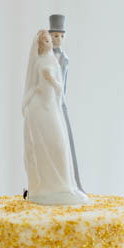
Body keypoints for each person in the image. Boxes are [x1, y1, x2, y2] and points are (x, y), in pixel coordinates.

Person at [22, 29, 88, 205]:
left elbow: (60, 89)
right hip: (38, 109)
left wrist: (50, 79)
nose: (48, 43)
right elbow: (33, 86)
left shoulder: (54, 62)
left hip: (51, 108)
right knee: (42, 149)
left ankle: (63, 185)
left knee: (59, 145)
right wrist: (28, 105)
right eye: (44, 41)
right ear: (38, 45)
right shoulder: (38, 63)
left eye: (48, 40)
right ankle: (44, 188)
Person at [49, 13, 85, 192]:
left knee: (67, 143)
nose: (59, 40)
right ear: (49, 36)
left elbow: (65, 86)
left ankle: (74, 184)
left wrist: (61, 101)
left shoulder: (66, 59)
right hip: (47, 104)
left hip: (60, 104)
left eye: (62, 36)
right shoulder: (44, 59)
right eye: (56, 36)